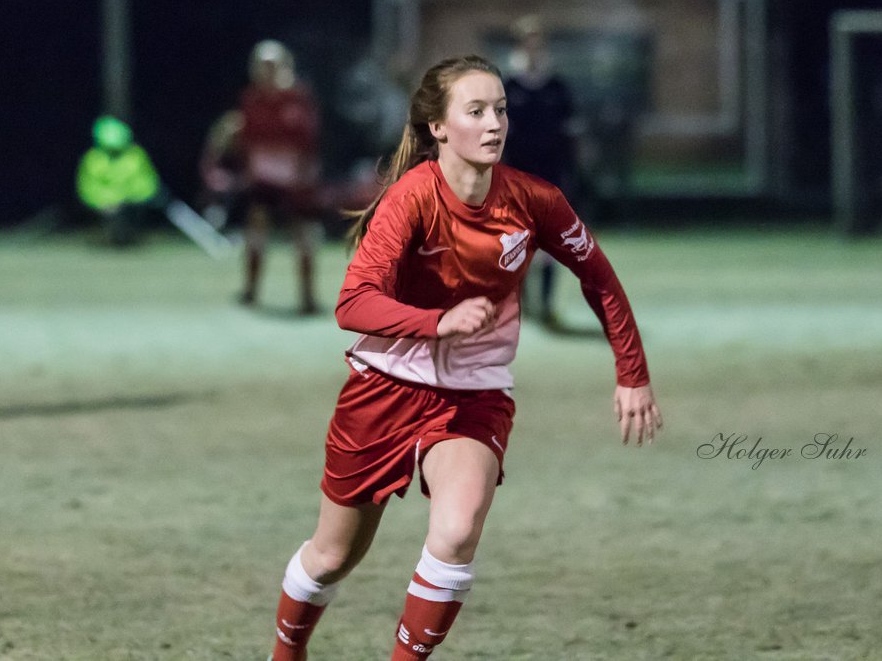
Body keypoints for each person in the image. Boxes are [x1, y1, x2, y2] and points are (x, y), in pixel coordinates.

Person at [268, 54, 662, 660]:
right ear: (439, 128)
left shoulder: (534, 200)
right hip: (384, 388)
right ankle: (286, 653)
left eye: (500, 109)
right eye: (475, 111)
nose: (495, 123)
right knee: (333, 555)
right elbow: (352, 303)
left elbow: (599, 277)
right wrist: (438, 323)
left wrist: (632, 374)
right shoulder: (412, 198)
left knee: (455, 532)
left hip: (474, 397)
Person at [502, 15, 578, 328]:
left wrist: (572, 171)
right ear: (520, 45)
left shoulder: (558, 86)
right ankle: (518, 302)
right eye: (527, 41)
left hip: (551, 178)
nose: (533, 47)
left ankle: (546, 304)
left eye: (538, 41)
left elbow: (571, 132)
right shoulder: (508, 85)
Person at [237, 40, 321, 313]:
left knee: (303, 236)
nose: (266, 71)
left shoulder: (298, 98)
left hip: (294, 179)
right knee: (256, 231)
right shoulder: (251, 100)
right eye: (261, 65)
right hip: (263, 179)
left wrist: (306, 175)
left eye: (271, 65)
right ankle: (250, 291)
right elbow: (248, 140)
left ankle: (307, 297)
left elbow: (309, 140)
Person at [76, 115, 161, 246]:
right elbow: (87, 188)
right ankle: (106, 235)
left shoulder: (136, 156)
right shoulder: (92, 159)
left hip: (130, 204)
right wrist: (105, 202)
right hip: (103, 205)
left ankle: (130, 235)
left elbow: (147, 184)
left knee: (134, 211)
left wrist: (125, 199)